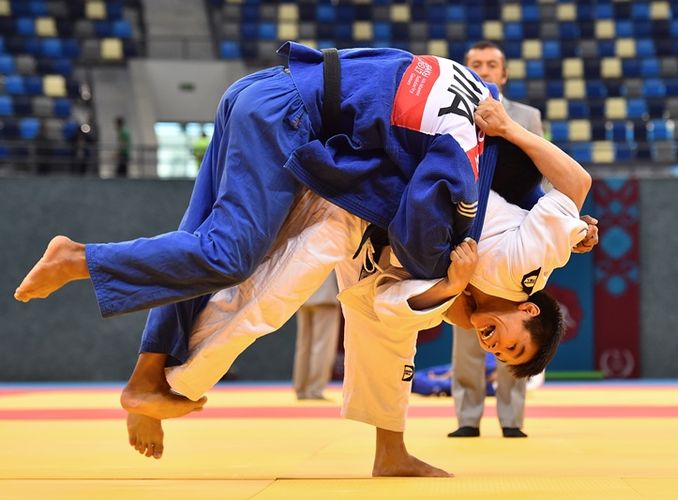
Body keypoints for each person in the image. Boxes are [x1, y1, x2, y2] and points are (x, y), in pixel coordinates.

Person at [15, 42, 510, 473]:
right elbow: (422, 219)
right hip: (286, 114)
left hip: (264, 91)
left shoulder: (467, 96)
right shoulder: (465, 147)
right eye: (461, 311)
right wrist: (441, 269)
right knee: (228, 256)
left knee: (197, 242)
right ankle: (80, 259)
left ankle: (146, 380)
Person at [122, 99, 595, 474]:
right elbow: (576, 184)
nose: (493, 346)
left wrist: (455, 286)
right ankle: (171, 387)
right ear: (529, 310)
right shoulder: (528, 268)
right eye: (510, 345)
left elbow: (410, 306)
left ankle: (390, 453)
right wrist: (516, 134)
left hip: (383, 248)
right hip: (367, 202)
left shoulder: (475, 306)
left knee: (389, 340)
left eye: (499, 356)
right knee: (267, 301)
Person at [449, 40, 545, 440]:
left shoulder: (526, 116)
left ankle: (512, 418)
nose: (485, 70)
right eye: (476, 64)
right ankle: (467, 417)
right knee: (469, 328)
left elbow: (542, 164)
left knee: (514, 328)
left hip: (518, 236)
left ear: (503, 74)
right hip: (465, 229)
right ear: (464, 69)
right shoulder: (451, 110)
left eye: (492, 65)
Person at [292, 272, 340, 400]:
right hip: (326, 292)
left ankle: (301, 388)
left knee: (303, 345)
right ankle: (315, 390)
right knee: (323, 345)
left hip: (303, 291)